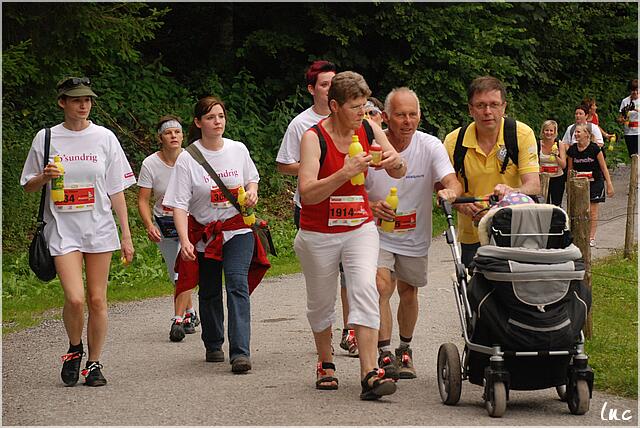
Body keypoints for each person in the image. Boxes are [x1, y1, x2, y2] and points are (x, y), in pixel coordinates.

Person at [294, 71, 407, 400]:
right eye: (355, 107)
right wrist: (344, 171)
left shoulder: (369, 127)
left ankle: (369, 372)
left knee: (365, 289)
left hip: (359, 227)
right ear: (334, 105)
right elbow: (307, 192)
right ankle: (325, 361)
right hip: (318, 232)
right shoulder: (313, 137)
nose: (363, 112)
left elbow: (398, 167)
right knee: (320, 303)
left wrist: (393, 162)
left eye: (365, 105)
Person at [20, 76, 136, 387]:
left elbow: (116, 190)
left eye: (87, 100)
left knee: (98, 300)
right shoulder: (45, 138)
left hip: (99, 227)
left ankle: (94, 364)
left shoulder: (105, 138)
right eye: (76, 100)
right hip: (62, 228)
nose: (83, 105)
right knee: (75, 299)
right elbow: (28, 186)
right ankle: (74, 349)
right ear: (62, 103)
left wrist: (126, 234)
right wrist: (44, 177)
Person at [366, 87, 461, 380]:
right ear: (385, 117)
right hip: (376, 232)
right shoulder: (370, 146)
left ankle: (404, 349)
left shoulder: (430, 145)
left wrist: (450, 191)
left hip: (414, 234)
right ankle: (383, 352)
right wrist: (371, 206)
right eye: (400, 115)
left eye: (412, 114)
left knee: (409, 291)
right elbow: (350, 189)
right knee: (381, 286)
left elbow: (451, 180)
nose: (407, 121)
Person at [163, 96, 262, 374]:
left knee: (236, 284)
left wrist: (252, 191)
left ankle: (240, 352)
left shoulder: (237, 149)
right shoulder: (187, 158)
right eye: (210, 117)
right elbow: (179, 204)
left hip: (238, 229)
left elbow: (251, 178)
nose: (217, 122)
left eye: (220, 116)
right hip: (204, 234)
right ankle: (213, 342)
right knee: (208, 290)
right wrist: (184, 240)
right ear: (198, 122)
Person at [275, 61, 357, 357]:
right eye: (324, 84)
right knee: (324, 275)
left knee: (351, 270)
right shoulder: (302, 124)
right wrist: (317, 163)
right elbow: (283, 165)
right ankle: (326, 334)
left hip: (349, 206)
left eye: (333, 83)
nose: (329, 89)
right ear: (312, 89)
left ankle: (351, 332)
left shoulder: (354, 119)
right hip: (312, 206)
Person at [444, 76, 540, 268]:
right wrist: (461, 206)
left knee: (517, 290)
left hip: (515, 228)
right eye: (480, 105)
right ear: (470, 109)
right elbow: (443, 185)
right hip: (473, 231)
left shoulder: (521, 134)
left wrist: (511, 192)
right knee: (475, 291)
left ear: (504, 107)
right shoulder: (454, 141)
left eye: (494, 104)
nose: (488, 112)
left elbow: (533, 184)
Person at [137, 115, 200, 342]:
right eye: (168, 133)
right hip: (164, 222)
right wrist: (149, 225)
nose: (173, 136)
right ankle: (190, 313)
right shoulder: (150, 164)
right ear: (160, 138)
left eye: (177, 132)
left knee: (184, 268)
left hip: (190, 221)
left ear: (183, 135)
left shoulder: (193, 157)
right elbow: (143, 200)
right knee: (176, 272)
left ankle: (181, 317)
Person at [566, 123, 615, 247]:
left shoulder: (595, 149)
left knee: (592, 211)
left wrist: (609, 184)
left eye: (578, 132)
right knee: (579, 211)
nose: (576, 135)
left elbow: (604, 168)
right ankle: (579, 235)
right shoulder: (572, 150)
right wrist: (569, 186)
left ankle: (591, 237)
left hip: (595, 182)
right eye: (575, 132)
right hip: (579, 185)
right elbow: (570, 170)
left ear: (587, 134)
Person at [538, 120, 567, 206]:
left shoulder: (559, 144)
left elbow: (564, 165)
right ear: (543, 131)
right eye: (547, 130)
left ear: (555, 132)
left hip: (557, 178)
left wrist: (556, 156)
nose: (549, 133)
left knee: (556, 205)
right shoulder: (538, 144)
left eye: (551, 131)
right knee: (543, 205)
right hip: (542, 178)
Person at [618, 78, 638, 156]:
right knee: (632, 155)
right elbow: (620, 118)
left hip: (639, 131)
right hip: (628, 132)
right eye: (633, 90)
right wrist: (622, 119)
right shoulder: (625, 101)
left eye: (637, 90)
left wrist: (635, 109)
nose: (635, 92)